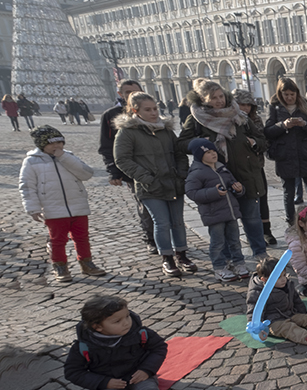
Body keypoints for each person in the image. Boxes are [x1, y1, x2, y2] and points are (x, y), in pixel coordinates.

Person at [64, 295, 187, 390]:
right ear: (98, 327)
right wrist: (104, 382)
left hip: (138, 374)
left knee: (147, 387)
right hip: (107, 381)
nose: (126, 323)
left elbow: (159, 348)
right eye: (117, 321)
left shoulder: (139, 332)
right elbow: (72, 372)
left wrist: (146, 370)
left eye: (127, 316)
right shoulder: (83, 346)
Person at [179, 80, 268, 260]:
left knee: (252, 217)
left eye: (221, 96)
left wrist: (255, 143)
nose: (219, 101)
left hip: (246, 174)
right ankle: (229, 257)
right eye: (213, 98)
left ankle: (260, 252)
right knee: (225, 220)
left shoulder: (239, 115)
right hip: (217, 177)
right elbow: (181, 143)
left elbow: (262, 139)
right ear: (203, 100)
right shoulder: (197, 118)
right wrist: (200, 143)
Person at [113, 92, 197, 278]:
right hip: (149, 187)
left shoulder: (165, 130)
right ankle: (167, 258)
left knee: (177, 222)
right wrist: (145, 177)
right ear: (136, 111)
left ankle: (182, 255)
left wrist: (181, 173)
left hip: (173, 182)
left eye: (155, 109)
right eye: (148, 110)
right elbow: (122, 159)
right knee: (162, 222)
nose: (153, 113)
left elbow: (179, 154)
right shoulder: (128, 132)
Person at [19, 126, 107, 282]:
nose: (57, 146)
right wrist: (32, 208)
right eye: (52, 143)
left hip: (78, 205)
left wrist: (65, 158)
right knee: (57, 240)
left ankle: (86, 263)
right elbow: (27, 186)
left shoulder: (69, 157)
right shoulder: (31, 162)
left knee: (82, 237)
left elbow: (86, 174)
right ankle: (60, 265)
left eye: (60, 142)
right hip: (53, 208)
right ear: (41, 144)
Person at [99, 80, 156, 253]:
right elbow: (106, 146)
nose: (132, 95)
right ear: (120, 94)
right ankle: (151, 238)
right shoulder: (111, 115)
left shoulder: (151, 112)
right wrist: (113, 172)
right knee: (145, 206)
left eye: (135, 92)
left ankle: (168, 238)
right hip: (133, 171)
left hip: (158, 169)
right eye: (128, 92)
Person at [184, 139, 247, 282]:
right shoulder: (197, 172)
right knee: (217, 243)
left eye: (214, 151)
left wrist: (239, 189)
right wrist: (214, 192)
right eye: (208, 152)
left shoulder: (222, 168)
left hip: (230, 212)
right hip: (214, 214)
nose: (213, 154)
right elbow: (191, 192)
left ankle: (238, 263)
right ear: (199, 155)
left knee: (234, 240)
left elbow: (232, 185)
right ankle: (219, 267)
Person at [265, 77, 307, 226]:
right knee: (288, 193)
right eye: (286, 94)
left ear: (297, 93)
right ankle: (291, 222)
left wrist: (304, 124)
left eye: (292, 94)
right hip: (285, 156)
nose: (290, 98)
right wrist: (283, 125)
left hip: (305, 154)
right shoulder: (274, 107)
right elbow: (268, 132)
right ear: (280, 94)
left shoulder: (306, 106)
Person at [233, 89, 278, 248]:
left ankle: (266, 231)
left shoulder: (255, 120)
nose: (245, 108)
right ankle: (250, 233)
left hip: (256, 166)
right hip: (236, 168)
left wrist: (254, 143)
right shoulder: (229, 121)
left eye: (248, 105)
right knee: (246, 203)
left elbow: (263, 141)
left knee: (262, 198)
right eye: (241, 105)